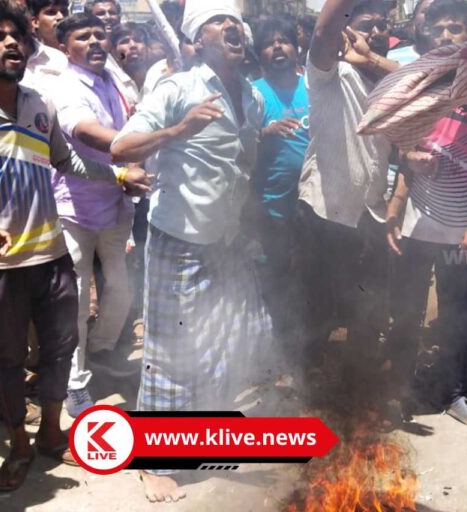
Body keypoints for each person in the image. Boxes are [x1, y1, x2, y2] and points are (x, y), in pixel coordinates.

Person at [111, 0, 271, 502]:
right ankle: (151, 459)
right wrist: (180, 131)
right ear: (197, 40)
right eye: (218, 22)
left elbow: (243, 160)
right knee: (171, 349)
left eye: (236, 21)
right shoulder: (178, 87)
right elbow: (121, 147)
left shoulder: (252, 95)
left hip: (225, 239)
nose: (233, 28)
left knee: (233, 339)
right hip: (179, 239)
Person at [0, 0, 150, 491]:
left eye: (15, 35)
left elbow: (68, 163)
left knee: (61, 349)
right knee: (10, 357)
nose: (11, 43)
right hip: (2, 266)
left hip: (53, 255)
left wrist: (119, 173)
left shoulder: (40, 105)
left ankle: (52, 435)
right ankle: (19, 442)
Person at [385, 0, 467, 433]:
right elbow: (401, 150)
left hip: (462, 231)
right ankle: (398, 391)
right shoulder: (414, 87)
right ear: (426, 34)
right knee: (406, 312)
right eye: (441, 29)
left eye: (458, 28)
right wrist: (398, 201)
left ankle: (452, 394)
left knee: (455, 316)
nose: (450, 35)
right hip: (417, 226)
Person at [296, 0, 397, 376]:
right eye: (365, 24)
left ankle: (356, 394)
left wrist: (370, 60)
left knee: (367, 312)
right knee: (318, 309)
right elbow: (322, 32)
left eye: (381, 26)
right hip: (325, 211)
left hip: (370, 212)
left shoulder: (392, 81)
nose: (374, 33)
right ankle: (308, 394)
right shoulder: (327, 73)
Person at [53, 13, 139, 417]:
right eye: (83, 36)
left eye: (99, 35)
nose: (94, 42)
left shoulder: (114, 80)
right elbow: (83, 131)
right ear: (64, 47)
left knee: (121, 291)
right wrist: (135, 145)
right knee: (77, 300)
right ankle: (75, 383)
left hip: (117, 203)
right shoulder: (66, 85)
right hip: (76, 210)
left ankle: (102, 354)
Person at [251, 16, 310, 359]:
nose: (277, 47)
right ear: (259, 54)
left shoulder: (314, 86)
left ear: (296, 46)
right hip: (272, 208)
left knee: (311, 275)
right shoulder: (254, 94)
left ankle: (310, 346)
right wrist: (265, 133)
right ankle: (282, 350)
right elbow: (237, 146)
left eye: (283, 40)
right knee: (277, 278)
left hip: (314, 205)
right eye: (269, 43)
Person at [21, 0, 69, 93]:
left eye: (64, 12)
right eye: (51, 13)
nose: (60, 17)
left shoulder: (81, 54)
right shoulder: (28, 61)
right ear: (35, 22)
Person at [387, 0, 433, 64]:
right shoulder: (392, 57)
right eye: (426, 11)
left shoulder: (450, 58)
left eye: (439, 12)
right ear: (414, 19)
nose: (431, 16)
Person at [111, 22, 151, 91]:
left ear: (147, 48)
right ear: (114, 53)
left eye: (138, 40)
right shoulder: (111, 84)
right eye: (124, 42)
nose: (133, 45)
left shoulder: (158, 79)